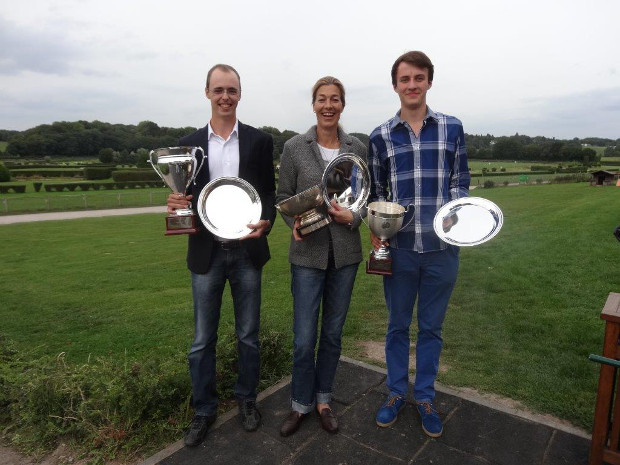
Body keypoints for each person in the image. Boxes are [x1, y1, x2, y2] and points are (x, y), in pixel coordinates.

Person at [166, 64, 276, 447]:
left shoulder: (260, 142)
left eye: (231, 90)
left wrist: (266, 222)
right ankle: (204, 410)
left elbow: (269, 198)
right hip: (206, 255)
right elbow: (184, 199)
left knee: (248, 336)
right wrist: (177, 202)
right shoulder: (188, 145)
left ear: (240, 94)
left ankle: (247, 399)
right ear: (208, 93)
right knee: (202, 340)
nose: (225, 96)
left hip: (247, 251)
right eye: (218, 90)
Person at [367, 51, 470, 438]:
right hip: (400, 249)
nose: (412, 85)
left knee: (431, 328)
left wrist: (456, 214)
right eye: (405, 79)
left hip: (442, 250)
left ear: (429, 81)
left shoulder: (452, 127)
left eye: (419, 78)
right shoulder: (379, 135)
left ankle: (425, 396)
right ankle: (395, 392)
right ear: (395, 85)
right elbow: (376, 191)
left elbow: (461, 180)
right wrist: (376, 226)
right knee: (396, 326)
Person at [276, 76, 367, 437]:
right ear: (313, 105)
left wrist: (356, 217)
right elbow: (283, 196)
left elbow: (366, 195)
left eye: (335, 99)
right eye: (322, 99)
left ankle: (324, 401)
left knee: (331, 334)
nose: (328, 105)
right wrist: (292, 224)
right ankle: (300, 404)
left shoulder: (358, 147)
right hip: (307, 254)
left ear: (342, 105)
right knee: (303, 338)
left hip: (345, 254)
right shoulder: (295, 147)